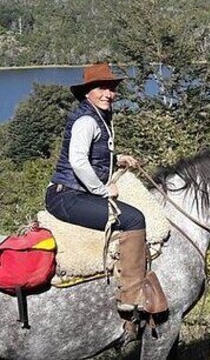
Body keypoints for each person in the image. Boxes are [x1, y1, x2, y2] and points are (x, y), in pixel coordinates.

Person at [45, 63, 150, 313]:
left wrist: (118, 159)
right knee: (135, 219)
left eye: (111, 88)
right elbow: (78, 162)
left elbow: (95, 156)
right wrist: (102, 191)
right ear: (87, 92)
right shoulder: (86, 120)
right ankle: (131, 295)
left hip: (73, 193)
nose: (108, 94)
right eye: (101, 88)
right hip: (66, 196)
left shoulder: (98, 116)